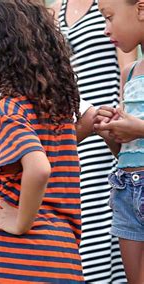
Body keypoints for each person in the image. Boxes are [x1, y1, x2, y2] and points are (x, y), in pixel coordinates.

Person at [0, 0, 84, 282]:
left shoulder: (9, 109)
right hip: (63, 256)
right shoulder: (60, 111)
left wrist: (20, 221)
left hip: (15, 258)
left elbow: (38, 168)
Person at [49, 0, 138, 281]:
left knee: (103, 218)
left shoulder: (111, 5)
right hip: (83, 127)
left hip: (113, 130)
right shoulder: (54, 10)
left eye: (109, 19)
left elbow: (129, 69)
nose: (107, 26)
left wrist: (129, 126)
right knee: (87, 219)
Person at [93, 1, 144, 283]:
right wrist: (112, 134)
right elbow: (126, 150)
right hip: (126, 190)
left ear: (141, 9)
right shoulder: (129, 73)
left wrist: (137, 128)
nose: (105, 29)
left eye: (110, 18)